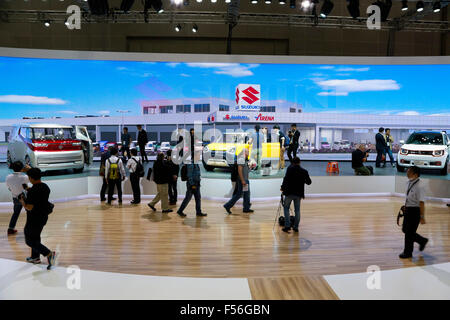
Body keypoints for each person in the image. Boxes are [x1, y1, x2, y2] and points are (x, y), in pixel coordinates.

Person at [19, 168, 57, 269]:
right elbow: (39, 197)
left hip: (34, 218)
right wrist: (28, 189)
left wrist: (22, 202)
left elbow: (29, 207)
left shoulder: (33, 191)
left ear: (30, 178)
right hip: (43, 216)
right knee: (35, 236)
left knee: (29, 240)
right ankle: (35, 257)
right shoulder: (45, 187)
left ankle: (49, 254)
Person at [399, 166, 429, 259]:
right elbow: (409, 196)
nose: (407, 172)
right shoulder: (408, 182)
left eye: (409, 171)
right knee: (405, 230)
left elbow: (421, 202)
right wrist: (406, 206)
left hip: (415, 211)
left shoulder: (420, 186)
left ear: (415, 174)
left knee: (409, 233)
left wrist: (422, 216)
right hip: (408, 209)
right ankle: (422, 240)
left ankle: (408, 253)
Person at [280, 157, 312, 233]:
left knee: (286, 208)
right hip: (299, 194)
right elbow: (309, 182)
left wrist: (282, 188)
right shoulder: (304, 171)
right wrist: (302, 179)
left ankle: (287, 226)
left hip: (289, 192)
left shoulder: (289, 169)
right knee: (297, 210)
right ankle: (296, 227)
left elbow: (286, 179)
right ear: (299, 162)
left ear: (292, 162)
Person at [177, 152, 207, 217]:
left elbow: (197, 173)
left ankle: (198, 212)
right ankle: (180, 211)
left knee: (198, 198)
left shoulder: (195, 163)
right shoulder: (190, 163)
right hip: (192, 184)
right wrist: (192, 184)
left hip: (197, 183)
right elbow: (189, 175)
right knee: (188, 198)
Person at [224, 148, 253, 214]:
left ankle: (246, 208)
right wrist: (242, 180)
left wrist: (250, 167)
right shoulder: (241, 159)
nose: (248, 152)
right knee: (241, 194)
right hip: (242, 180)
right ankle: (228, 206)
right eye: (247, 151)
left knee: (244, 194)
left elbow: (246, 171)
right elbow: (239, 170)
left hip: (245, 179)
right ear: (244, 152)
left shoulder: (245, 160)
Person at [6, 161, 30, 235]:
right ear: (22, 168)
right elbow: (31, 180)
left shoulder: (8, 177)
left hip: (15, 197)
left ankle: (10, 229)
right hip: (24, 197)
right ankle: (28, 229)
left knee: (16, 213)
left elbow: (9, 188)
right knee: (29, 213)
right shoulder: (24, 177)